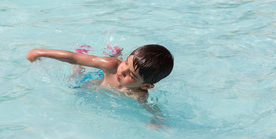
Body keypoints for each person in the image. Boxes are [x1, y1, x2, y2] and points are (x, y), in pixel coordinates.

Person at [26, 44, 173, 102]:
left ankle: (117, 54)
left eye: (131, 75)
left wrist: (156, 119)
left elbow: (151, 109)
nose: (122, 72)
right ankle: (80, 68)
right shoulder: (112, 67)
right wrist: (40, 52)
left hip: (105, 88)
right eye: (125, 63)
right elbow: (73, 57)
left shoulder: (139, 95)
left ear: (146, 86)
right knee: (75, 80)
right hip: (94, 81)